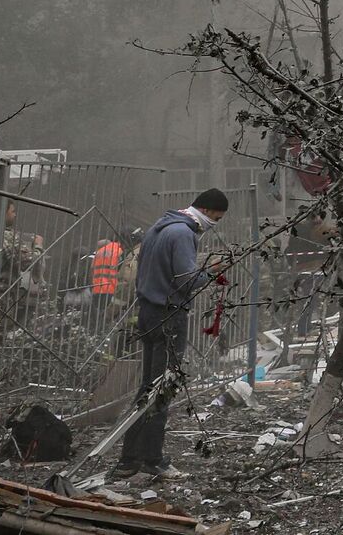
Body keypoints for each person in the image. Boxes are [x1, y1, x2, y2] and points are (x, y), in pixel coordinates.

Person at [111, 188, 230, 482]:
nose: (214, 224)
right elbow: (187, 281)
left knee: (146, 388)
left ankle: (130, 459)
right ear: (209, 210)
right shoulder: (183, 234)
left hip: (148, 311)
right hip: (169, 315)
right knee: (162, 389)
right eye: (217, 218)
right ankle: (153, 460)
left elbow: (150, 271)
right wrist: (213, 271)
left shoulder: (158, 228)